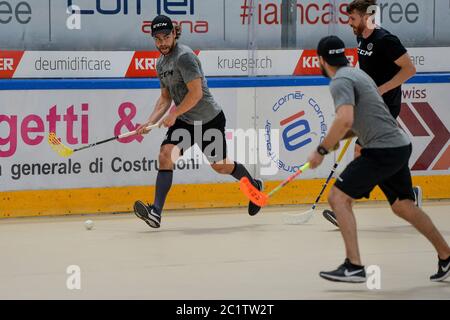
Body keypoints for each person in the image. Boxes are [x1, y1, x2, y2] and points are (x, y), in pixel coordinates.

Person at [308, 35, 450, 283]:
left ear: (320, 60)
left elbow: (345, 119)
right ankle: (447, 256)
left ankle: (353, 266)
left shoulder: (339, 81)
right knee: (403, 205)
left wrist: (321, 150)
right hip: (398, 145)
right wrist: (336, 140)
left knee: (338, 198)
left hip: (381, 149)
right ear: (344, 55)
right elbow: (361, 120)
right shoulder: (357, 74)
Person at [133, 15, 263, 228]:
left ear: (174, 33)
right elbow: (165, 98)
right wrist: (149, 122)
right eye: (157, 39)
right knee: (166, 155)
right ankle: (156, 212)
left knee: (220, 166)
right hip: (185, 123)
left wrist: (174, 114)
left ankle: (254, 187)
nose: (162, 43)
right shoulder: (161, 63)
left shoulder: (185, 57)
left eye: (166, 37)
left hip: (208, 120)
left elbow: (196, 95)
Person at [322, 0, 422, 228]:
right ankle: (408, 195)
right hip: (372, 104)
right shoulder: (361, 38)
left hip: (386, 104)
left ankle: (344, 204)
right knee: (390, 147)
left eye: (352, 18)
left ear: (366, 17)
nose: (349, 23)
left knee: (361, 150)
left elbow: (410, 69)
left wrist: (382, 89)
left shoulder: (385, 40)